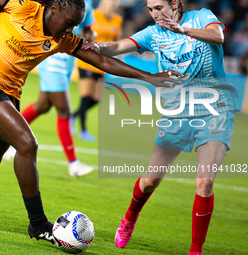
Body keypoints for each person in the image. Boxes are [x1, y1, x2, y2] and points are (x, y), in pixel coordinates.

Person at [0, 0, 180, 244]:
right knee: (27, 144)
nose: (71, 29)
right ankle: (38, 225)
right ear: (53, 9)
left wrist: (149, 76)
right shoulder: (23, 8)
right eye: (68, 22)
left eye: (75, 25)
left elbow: (101, 60)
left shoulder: (62, 39)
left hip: (8, 93)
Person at [82, 0, 240, 254]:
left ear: (175, 3)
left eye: (159, 7)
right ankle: (129, 219)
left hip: (215, 110)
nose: (155, 14)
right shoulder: (152, 34)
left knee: (204, 182)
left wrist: (183, 31)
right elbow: (118, 46)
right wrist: (97, 46)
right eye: (151, 9)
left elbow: (218, 36)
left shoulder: (201, 17)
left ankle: (195, 250)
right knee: (150, 180)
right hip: (177, 113)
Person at [2, 0, 96, 178]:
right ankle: (73, 164)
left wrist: (90, 37)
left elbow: (88, 28)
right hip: (53, 60)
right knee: (65, 111)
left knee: (42, 106)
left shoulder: (87, 4)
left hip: (68, 62)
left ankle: (7, 139)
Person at [72, 0, 123, 142]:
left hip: (102, 64)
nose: (112, 4)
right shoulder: (93, 15)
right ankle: (83, 130)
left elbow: (116, 42)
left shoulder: (118, 20)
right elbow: (84, 32)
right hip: (87, 62)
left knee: (97, 99)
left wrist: (120, 59)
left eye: (115, 2)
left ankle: (73, 115)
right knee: (85, 97)